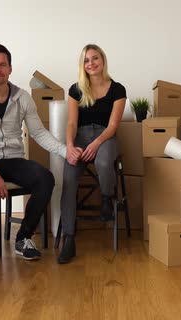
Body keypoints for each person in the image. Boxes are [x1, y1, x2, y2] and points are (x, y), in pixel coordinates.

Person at [0, 43, 78, 265]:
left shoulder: (23, 98)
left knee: (45, 178)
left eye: (2, 65)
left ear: (10, 69)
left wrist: (64, 151)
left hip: (14, 159)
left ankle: (23, 237)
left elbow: (39, 133)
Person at [58, 44, 127, 264]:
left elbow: (113, 125)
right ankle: (69, 238)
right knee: (69, 179)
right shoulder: (75, 89)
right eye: (86, 60)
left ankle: (107, 198)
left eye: (95, 58)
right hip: (80, 137)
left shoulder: (117, 89)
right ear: (83, 65)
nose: (91, 63)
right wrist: (69, 146)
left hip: (105, 137)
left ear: (103, 60)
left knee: (105, 162)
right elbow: (71, 122)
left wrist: (97, 143)